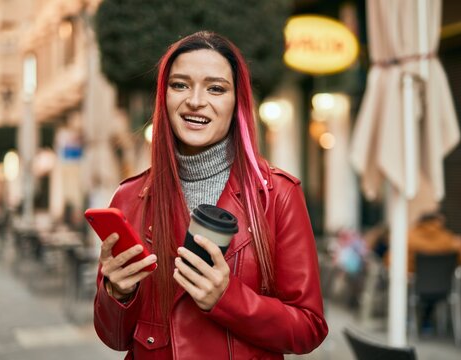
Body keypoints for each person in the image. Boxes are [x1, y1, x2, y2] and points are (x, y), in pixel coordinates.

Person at [93, 31, 328, 359]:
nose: (195, 101)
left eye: (215, 88)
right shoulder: (130, 197)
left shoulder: (278, 195)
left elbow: (308, 328)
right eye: (180, 85)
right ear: (164, 98)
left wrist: (227, 298)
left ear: (238, 103)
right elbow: (114, 338)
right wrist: (116, 293)